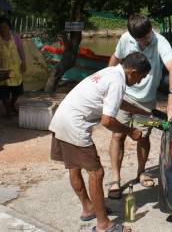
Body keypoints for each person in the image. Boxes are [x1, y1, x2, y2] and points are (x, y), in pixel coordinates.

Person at [49, 52, 151, 232]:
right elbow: (107, 121)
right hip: (75, 125)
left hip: (61, 118)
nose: (139, 82)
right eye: (140, 78)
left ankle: (89, 208)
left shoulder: (110, 72)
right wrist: (130, 131)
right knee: (96, 173)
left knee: (74, 166)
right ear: (133, 72)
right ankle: (104, 225)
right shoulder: (118, 82)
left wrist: (142, 111)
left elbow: (117, 102)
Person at [107, 13, 172, 199]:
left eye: (147, 36)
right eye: (140, 39)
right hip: (124, 96)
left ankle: (141, 172)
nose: (144, 41)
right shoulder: (125, 39)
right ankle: (115, 178)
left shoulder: (160, 42)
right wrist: (109, 83)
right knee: (118, 134)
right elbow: (114, 59)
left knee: (143, 137)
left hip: (146, 100)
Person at [0, 17, 26, 117]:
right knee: (3, 92)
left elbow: (21, 50)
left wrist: (24, 62)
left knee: (17, 91)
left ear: (9, 27)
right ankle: (8, 111)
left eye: (5, 27)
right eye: (0, 28)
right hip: (0, 70)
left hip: (15, 69)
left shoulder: (15, 37)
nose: (3, 30)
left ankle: (12, 104)